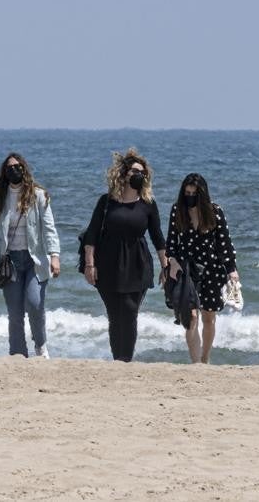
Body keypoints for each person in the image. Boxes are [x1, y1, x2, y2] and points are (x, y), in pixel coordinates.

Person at [82, 148, 170, 362]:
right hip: (108, 263)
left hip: (138, 263)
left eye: (142, 172)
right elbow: (91, 235)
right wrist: (89, 265)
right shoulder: (106, 202)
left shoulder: (148, 204)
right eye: (134, 171)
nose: (138, 175)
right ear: (123, 174)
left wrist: (166, 266)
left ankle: (126, 361)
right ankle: (117, 361)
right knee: (114, 315)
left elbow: (158, 237)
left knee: (130, 312)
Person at [0, 153, 61, 358]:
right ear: (4, 172)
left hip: (34, 260)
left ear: (24, 169)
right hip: (9, 262)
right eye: (10, 167)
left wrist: (54, 255)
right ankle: (18, 353)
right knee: (15, 313)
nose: (14, 170)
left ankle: (41, 345)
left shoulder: (38, 195)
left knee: (35, 304)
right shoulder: (0, 198)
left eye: (18, 166)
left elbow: (49, 228)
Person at [165, 173, 240, 364]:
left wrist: (232, 269)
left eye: (194, 193)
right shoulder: (177, 210)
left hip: (212, 269)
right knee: (190, 318)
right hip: (187, 271)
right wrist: (172, 264)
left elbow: (225, 243)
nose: (190, 196)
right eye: (187, 193)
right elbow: (171, 243)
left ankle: (205, 358)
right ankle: (195, 363)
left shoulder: (215, 211)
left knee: (208, 317)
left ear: (202, 194)